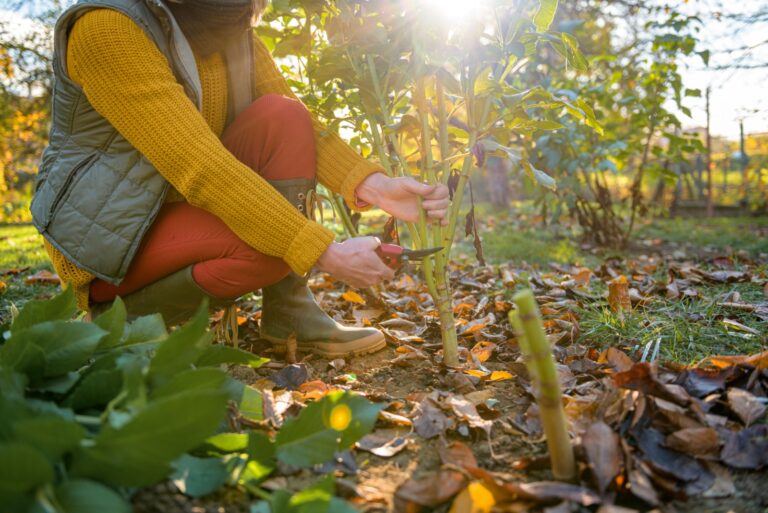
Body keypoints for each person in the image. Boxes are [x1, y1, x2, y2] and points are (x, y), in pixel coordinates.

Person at [30, 0, 449, 357]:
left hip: (182, 203)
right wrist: (325, 252)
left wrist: (373, 185)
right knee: (276, 249)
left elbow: (303, 127)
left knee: (284, 114)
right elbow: (198, 164)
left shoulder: (230, 28)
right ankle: (119, 316)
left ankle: (290, 312)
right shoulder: (106, 29)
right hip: (109, 236)